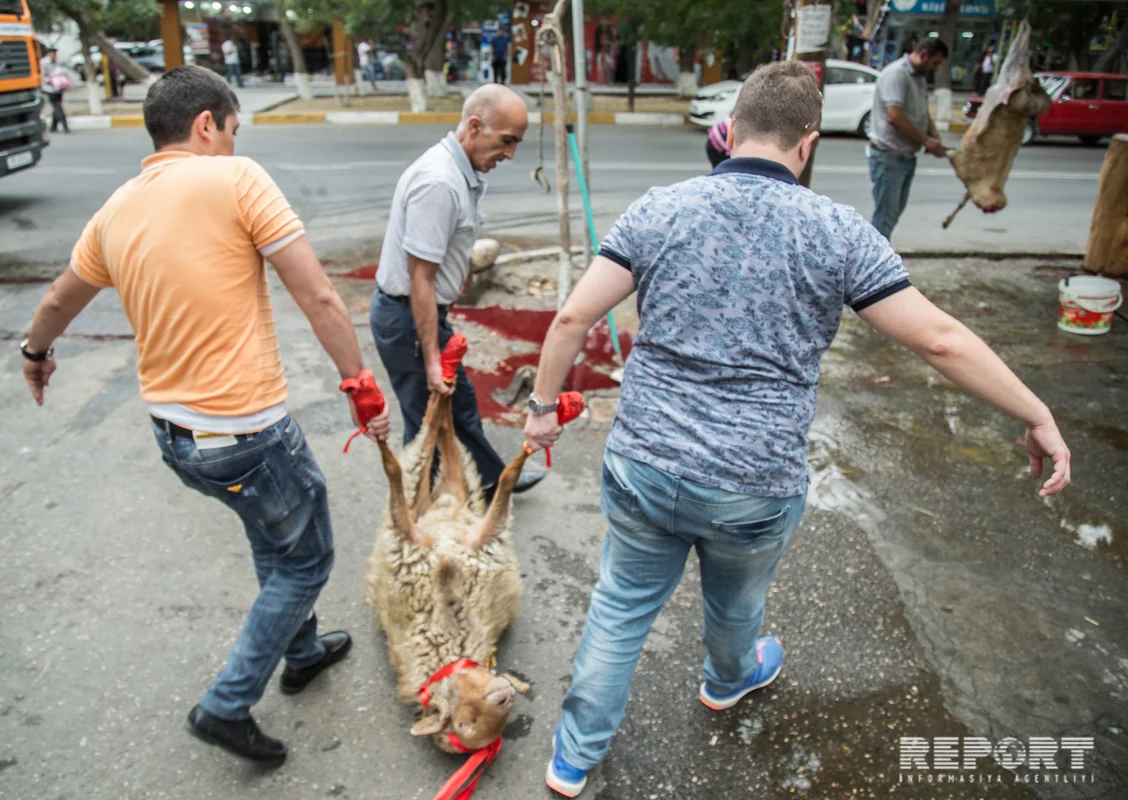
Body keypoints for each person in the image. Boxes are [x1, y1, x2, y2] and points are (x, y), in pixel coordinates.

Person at [521, 61, 1072, 798]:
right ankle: (728, 677)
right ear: (807, 142)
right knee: (736, 603)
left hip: (645, 462)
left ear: (735, 129)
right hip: (753, 483)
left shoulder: (659, 209)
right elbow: (938, 339)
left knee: (620, 607)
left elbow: (570, 319)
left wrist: (539, 415)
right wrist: (1037, 413)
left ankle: (571, 758)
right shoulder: (838, 231)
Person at [19, 65, 391, 767]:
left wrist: (35, 353)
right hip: (246, 431)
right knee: (306, 560)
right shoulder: (237, 178)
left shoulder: (116, 207)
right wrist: (360, 388)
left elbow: (59, 301)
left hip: (176, 437)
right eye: (232, 129)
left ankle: (303, 650)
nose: (232, 141)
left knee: (268, 525)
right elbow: (319, 298)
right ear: (205, 125)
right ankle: (226, 705)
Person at [370, 84, 544, 503]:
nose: (510, 154)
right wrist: (431, 357)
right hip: (409, 315)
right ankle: (424, 508)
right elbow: (420, 279)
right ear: (475, 126)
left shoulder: (459, 171)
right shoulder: (440, 183)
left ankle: (486, 478)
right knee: (428, 417)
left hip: (419, 313)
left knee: (459, 401)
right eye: (507, 141)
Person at [867, 38, 949, 240]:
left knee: (893, 214)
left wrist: (932, 133)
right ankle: (871, 264)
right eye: (935, 63)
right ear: (923, 55)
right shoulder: (896, 74)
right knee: (885, 216)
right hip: (889, 155)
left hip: (906, 156)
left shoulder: (919, 78)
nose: (935, 68)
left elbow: (921, 111)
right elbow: (894, 116)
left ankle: (876, 258)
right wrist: (925, 141)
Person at [39, 47, 69, 135]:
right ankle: (65, 125)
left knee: (57, 107)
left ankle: (53, 127)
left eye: (55, 53)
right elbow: (42, 76)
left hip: (59, 88)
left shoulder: (57, 62)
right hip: (49, 89)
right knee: (58, 107)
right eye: (52, 53)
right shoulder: (43, 63)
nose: (54, 55)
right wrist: (52, 79)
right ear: (48, 54)